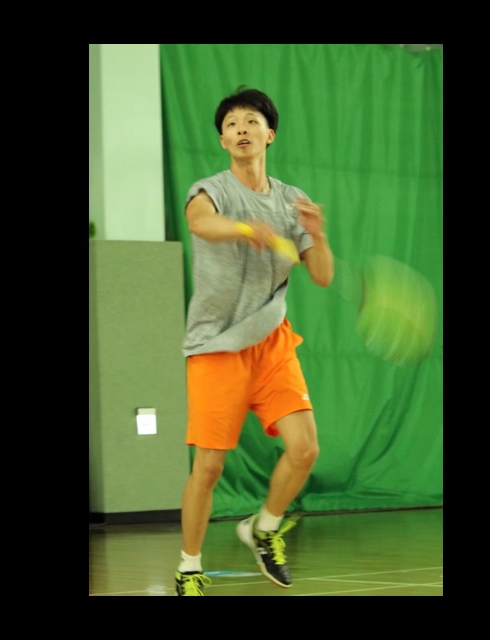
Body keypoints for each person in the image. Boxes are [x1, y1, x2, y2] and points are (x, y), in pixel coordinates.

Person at [175, 86, 334, 596]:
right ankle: (189, 567)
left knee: (305, 449)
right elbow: (200, 222)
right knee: (209, 468)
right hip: (216, 344)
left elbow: (322, 275)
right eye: (231, 124)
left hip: (271, 340)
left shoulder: (291, 200)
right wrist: (245, 228)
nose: (241, 129)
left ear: (270, 134)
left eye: (251, 121)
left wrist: (317, 235)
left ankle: (264, 528)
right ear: (223, 140)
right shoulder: (211, 189)